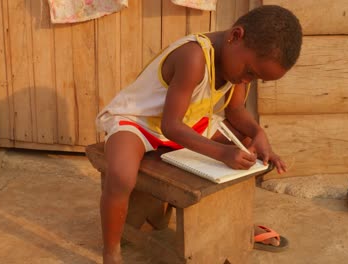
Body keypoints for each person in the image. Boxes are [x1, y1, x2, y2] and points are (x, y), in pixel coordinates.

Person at [95, 5, 302, 263]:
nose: (248, 80)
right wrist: (222, 152)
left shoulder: (237, 69)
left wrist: (259, 134)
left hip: (191, 122)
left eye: (256, 78)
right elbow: (171, 125)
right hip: (141, 123)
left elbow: (235, 111)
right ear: (235, 36)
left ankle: (234, 224)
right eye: (250, 72)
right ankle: (111, 250)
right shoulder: (193, 57)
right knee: (122, 175)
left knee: (247, 146)